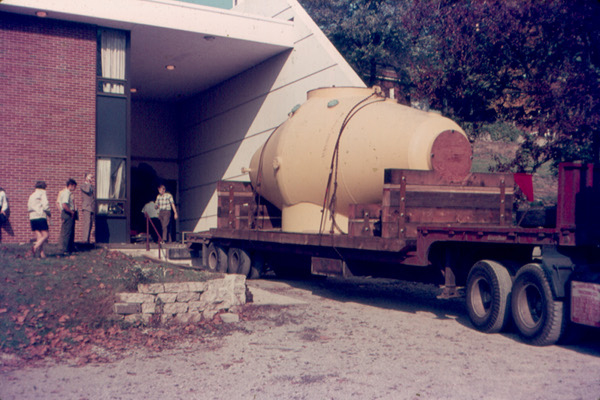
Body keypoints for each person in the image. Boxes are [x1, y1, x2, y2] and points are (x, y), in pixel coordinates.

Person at [27, 181, 51, 258]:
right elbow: (45, 205)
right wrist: (49, 213)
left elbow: (29, 207)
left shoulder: (32, 195)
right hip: (40, 216)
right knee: (46, 235)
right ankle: (35, 247)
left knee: (39, 236)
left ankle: (41, 254)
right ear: (44, 187)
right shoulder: (43, 193)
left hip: (32, 217)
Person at [58, 178, 77, 255]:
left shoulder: (69, 193)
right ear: (70, 185)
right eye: (74, 186)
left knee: (71, 231)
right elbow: (64, 205)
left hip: (69, 213)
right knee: (67, 232)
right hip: (67, 213)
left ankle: (70, 248)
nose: (74, 188)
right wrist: (71, 212)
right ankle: (65, 250)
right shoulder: (66, 193)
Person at [80, 173, 95, 243]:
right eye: (90, 177)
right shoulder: (83, 185)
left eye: (92, 177)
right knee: (87, 223)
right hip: (86, 207)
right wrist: (88, 183)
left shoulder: (92, 186)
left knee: (91, 223)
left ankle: (88, 240)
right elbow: (87, 191)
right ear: (85, 177)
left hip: (92, 207)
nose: (91, 179)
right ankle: (85, 240)